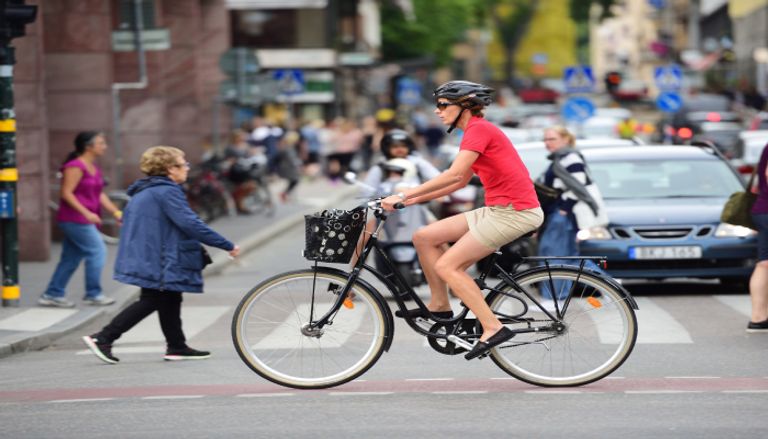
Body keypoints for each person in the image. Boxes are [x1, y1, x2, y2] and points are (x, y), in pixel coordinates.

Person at [380, 80, 543, 360]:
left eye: (443, 105)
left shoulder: (479, 130)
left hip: (515, 212)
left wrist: (408, 195)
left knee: (447, 265)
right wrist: (411, 199)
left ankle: (493, 327)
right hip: (496, 210)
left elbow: (454, 175)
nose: (437, 111)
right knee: (424, 237)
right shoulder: (473, 132)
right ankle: (440, 305)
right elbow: (461, 181)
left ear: (465, 106)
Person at [82, 146, 240, 364]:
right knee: (152, 299)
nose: (187, 168)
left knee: (170, 297)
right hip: (160, 258)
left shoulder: (145, 191)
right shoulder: (167, 191)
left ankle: (176, 346)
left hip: (150, 255)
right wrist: (226, 244)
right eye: (183, 163)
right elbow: (189, 223)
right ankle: (103, 337)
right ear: (169, 169)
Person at [39, 131, 123, 308]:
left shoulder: (93, 167)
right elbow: (66, 193)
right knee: (97, 251)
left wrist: (116, 212)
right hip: (74, 219)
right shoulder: (75, 166)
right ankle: (93, 294)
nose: (104, 146)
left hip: (84, 219)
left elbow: (99, 194)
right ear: (88, 146)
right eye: (101, 143)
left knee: (70, 258)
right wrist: (86, 213)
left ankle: (53, 293)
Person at [536, 126, 606, 308]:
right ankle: (610, 285)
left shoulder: (570, 157)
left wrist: (564, 209)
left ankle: (554, 299)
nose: (547, 143)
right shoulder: (559, 158)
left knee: (554, 255)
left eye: (552, 139)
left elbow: (578, 185)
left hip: (564, 215)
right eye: (545, 140)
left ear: (566, 139)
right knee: (568, 257)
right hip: (559, 214)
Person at [748, 142, 768, 332]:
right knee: (764, 263)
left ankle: (759, 317)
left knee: (764, 263)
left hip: (763, 210)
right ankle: (759, 317)